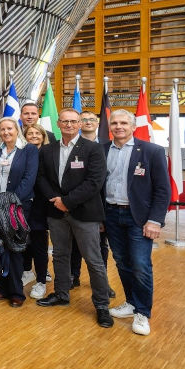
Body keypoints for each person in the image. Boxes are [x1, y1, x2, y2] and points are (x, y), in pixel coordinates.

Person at [35, 108, 113, 328]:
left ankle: (101, 305)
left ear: (80, 124)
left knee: (93, 260)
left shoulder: (93, 149)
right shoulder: (47, 150)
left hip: (85, 213)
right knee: (59, 255)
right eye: (64, 121)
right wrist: (55, 199)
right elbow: (41, 178)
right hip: (56, 212)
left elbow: (94, 182)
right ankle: (61, 294)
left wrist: (67, 202)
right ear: (58, 124)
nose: (68, 125)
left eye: (73, 121)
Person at [103, 110, 170, 336]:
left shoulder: (152, 151)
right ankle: (131, 303)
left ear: (133, 126)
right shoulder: (103, 150)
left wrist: (155, 220)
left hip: (139, 218)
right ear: (110, 126)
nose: (118, 126)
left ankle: (142, 312)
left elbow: (163, 190)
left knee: (141, 265)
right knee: (121, 261)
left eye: (123, 123)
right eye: (115, 123)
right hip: (111, 215)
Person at [0, 118, 38, 307]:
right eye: (2, 129)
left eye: (9, 128)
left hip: (17, 207)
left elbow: (29, 178)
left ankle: (16, 292)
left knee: (15, 249)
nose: (6, 132)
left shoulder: (29, 150)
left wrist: (9, 201)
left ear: (17, 130)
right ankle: (2, 287)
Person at [70, 109, 113, 297]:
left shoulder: (109, 146)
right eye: (83, 119)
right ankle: (73, 276)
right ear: (79, 123)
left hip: (99, 204)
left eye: (92, 119)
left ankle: (102, 283)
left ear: (98, 123)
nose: (88, 122)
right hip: (73, 202)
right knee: (73, 244)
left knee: (100, 247)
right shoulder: (70, 145)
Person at [22, 123, 51, 299]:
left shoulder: (49, 153)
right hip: (24, 205)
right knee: (24, 242)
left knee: (40, 244)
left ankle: (41, 279)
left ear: (43, 135)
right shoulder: (22, 154)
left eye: (37, 133)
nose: (33, 136)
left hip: (42, 205)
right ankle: (27, 271)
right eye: (29, 133)